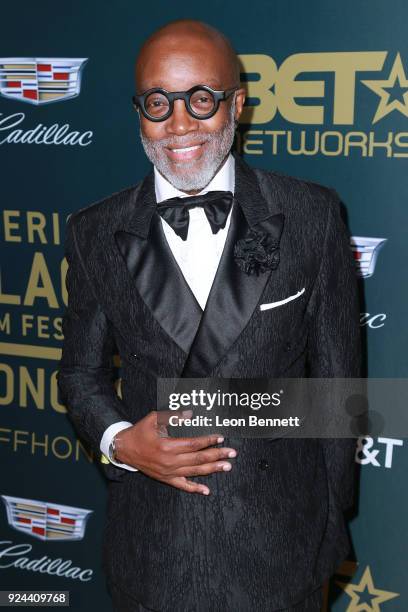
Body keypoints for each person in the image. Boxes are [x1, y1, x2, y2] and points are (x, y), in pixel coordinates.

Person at [57, 19, 361, 612]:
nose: (178, 125)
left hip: (283, 547)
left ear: (236, 104)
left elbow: (339, 388)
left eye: (201, 99)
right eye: (157, 103)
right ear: (137, 111)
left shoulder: (311, 215)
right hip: (155, 550)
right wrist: (122, 442)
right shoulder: (94, 231)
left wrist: (325, 528)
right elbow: (79, 375)